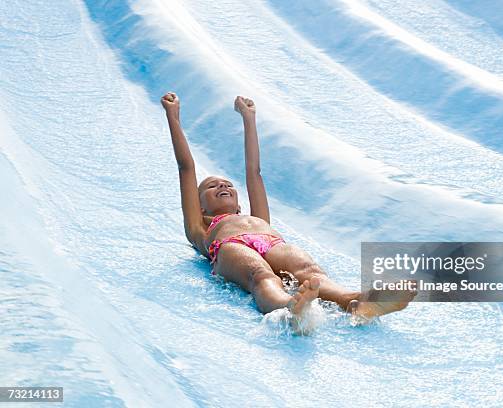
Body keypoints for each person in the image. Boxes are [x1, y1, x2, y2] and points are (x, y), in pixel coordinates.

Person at [161, 92, 414, 328]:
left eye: (227, 184)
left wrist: (249, 119)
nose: (222, 186)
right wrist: (173, 117)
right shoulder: (200, 228)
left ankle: (355, 301)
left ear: (239, 205)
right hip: (230, 246)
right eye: (211, 186)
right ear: (200, 205)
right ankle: (289, 307)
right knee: (260, 275)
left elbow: (254, 172)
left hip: (272, 243)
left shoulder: (258, 219)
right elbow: (186, 167)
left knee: (310, 271)